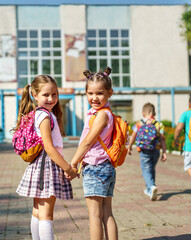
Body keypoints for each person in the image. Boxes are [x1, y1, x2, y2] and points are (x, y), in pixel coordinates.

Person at [15, 75, 78, 240]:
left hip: (40, 166)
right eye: (46, 95)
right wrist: (68, 168)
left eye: (54, 94)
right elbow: (49, 148)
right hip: (47, 166)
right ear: (34, 95)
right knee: (46, 214)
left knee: (37, 211)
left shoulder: (39, 113)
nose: (51, 98)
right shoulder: (44, 116)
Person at [70, 67, 118, 240]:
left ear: (109, 93)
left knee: (95, 216)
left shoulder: (102, 115)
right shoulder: (105, 113)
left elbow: (88, 141)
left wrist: (73, 163)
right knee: (106, 214)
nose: (94, 98)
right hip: (106, 168)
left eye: (99, 93)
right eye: (90, 93)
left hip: (96, 168)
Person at [127, 102, 167, 201]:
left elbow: (134, 135)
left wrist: (129, 146)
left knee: (145, 170)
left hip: (144, 150)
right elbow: (162, 139)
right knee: (151, 169)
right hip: (156, 150)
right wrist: (164, 152)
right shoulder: (159, 124)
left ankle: (151, 186)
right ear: (154, 114)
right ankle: (150, 189)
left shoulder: (139, 123)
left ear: (143, 113)